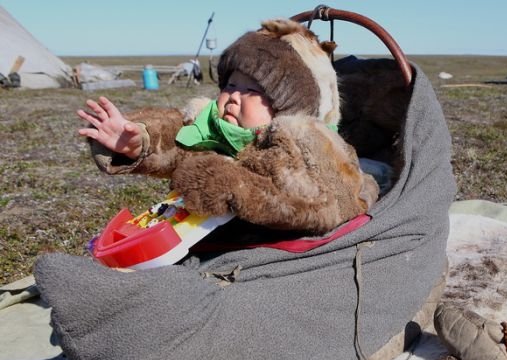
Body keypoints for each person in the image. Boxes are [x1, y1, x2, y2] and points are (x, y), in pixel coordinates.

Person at [77, 18, 378, 236]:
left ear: (286, 105)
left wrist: (235, 186)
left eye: (252, 91)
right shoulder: (214, 127)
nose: (234, 96)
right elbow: (178, 141)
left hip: (291, 243)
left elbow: (321, 203)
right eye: (231, 84)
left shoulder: (305, 142)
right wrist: (138, 142)